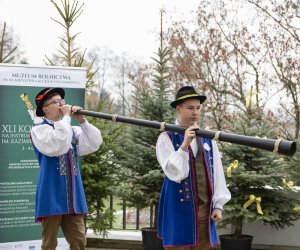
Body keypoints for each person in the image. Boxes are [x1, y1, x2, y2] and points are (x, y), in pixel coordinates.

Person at [156, 86, 231, 250]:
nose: (195, 112)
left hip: (205, 210)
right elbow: (175, 173)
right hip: (177, 208)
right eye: (190, 108)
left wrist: (218, 205)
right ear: (178, 108)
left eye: (198, 108)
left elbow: (216, 173)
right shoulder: (166, 137)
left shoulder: (208, 139)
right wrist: (184, 145)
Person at [30, 87, 103, 250]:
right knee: (49, 243)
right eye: (56, 102)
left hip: (73, 195)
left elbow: (94, 143)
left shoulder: (72, 129)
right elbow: (58, 144)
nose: (61, 104)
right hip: (51, 193)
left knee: (79, 242)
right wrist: (67, 118)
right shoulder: (39, 130)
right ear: (45, 108)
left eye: (61, 101)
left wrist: (82, 121)